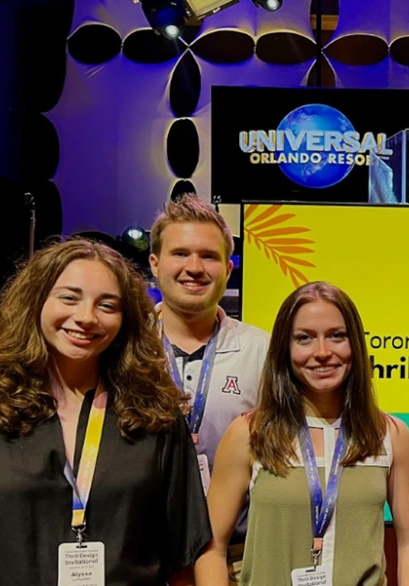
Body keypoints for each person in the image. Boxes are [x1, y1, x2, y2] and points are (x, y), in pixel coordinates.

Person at [0, 238, 211, 585]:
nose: (86, 317)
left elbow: (182, 559)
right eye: (69, 298)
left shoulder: (155, 416)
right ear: (35, 302)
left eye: (107, 305)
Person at [195, 281, 409, 586]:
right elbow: (212, 547)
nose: (322, 352)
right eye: (304, 338)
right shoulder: (248, 434)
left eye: (336, 336)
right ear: (285, 348)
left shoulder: (389, 435)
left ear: (354, 343)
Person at [150, 193, 270, 579]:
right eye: (180, 253)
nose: (194, 267)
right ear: (155, 263)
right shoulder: (124, 349)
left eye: (209, 256)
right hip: (144, 564)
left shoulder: (263, 351)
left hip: (238, 561)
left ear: (228, 268)